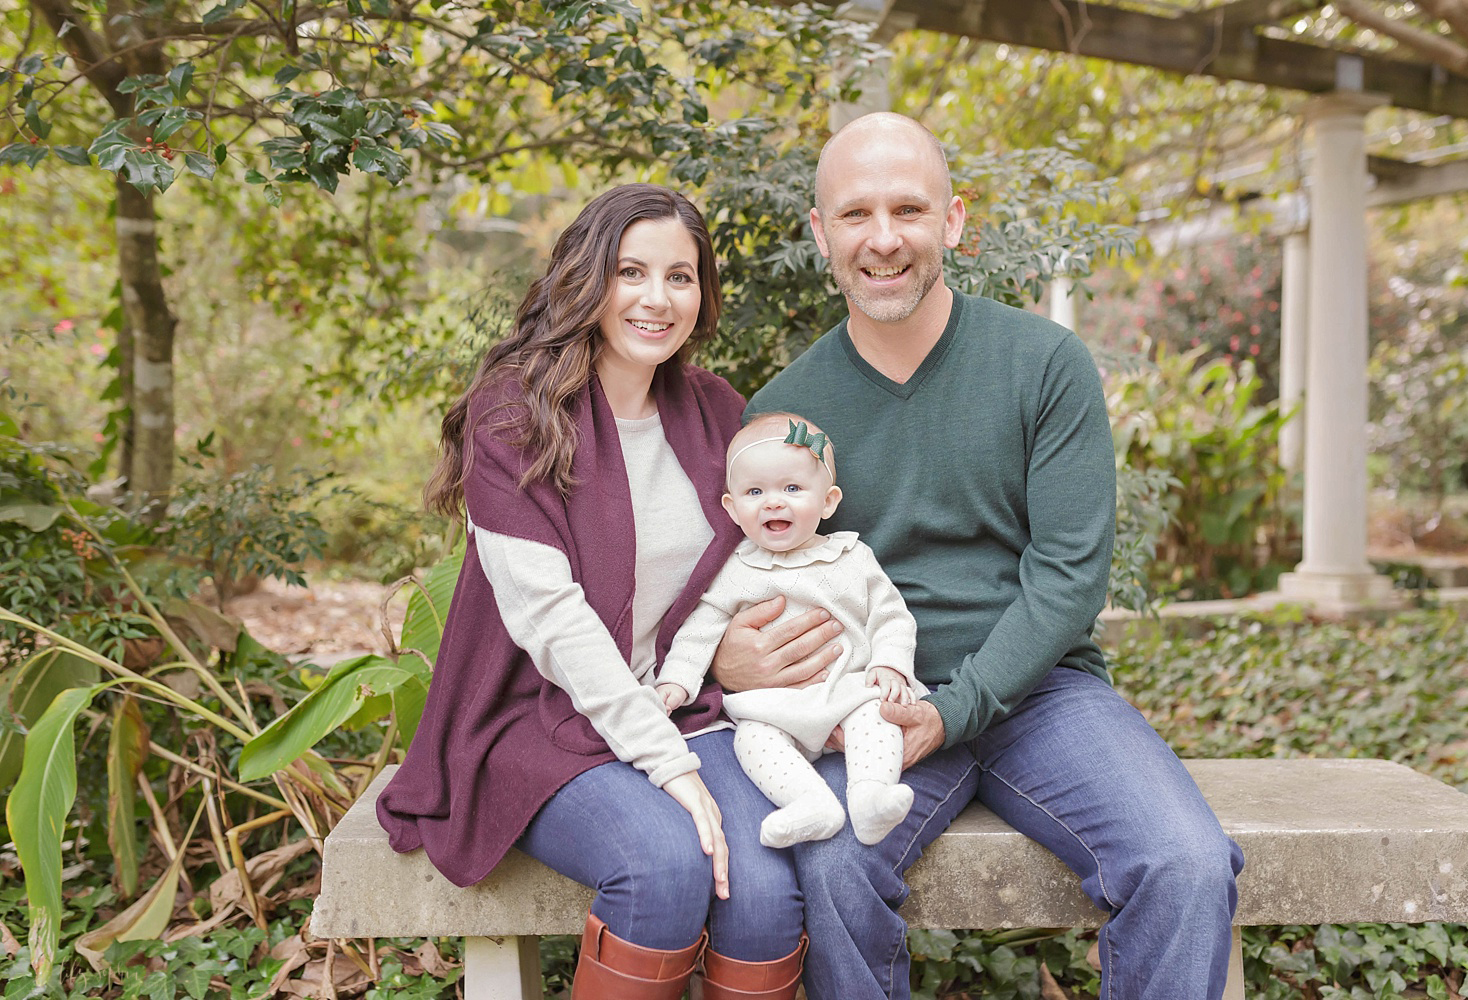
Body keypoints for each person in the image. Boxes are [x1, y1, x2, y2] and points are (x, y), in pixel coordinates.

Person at [714, 113, 1245, 1000]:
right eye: (855, 215)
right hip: (875, 701)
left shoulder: (1042, 363)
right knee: (836, 869)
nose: (884, 240)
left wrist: (956, 709)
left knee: (1185, 864)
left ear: (953, 221)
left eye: (909, 210)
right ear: (820, 233)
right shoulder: (787, 410)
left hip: (1045, 693)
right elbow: (763, 582)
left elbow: (1070, 578)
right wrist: (746, 662)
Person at [376, 184, 806, 1000]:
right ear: (589, 278)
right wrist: (669, 766)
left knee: (763, 883)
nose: (657, 298)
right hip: (536, 717)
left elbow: (763, 562)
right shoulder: (516, 415)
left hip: (683, 705)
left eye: (681, 277)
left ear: (703, 295)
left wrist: (733, 664)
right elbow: (553, 620)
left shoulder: (718, 413)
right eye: (631, 271)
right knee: (661, 864)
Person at [654, 413, 924, 849]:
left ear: (829, 501)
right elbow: (699, 631)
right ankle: (810, 803)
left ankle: (870, 797)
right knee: (752, 740)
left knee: (878, 717)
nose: (773, 503)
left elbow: (891, 616)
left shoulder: (852, 558)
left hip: (847, 691)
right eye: (755, 492)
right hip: (775, 707)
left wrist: (890, 664)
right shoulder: (735, 569)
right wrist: (676, 681)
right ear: (731, 507)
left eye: (793, 489)